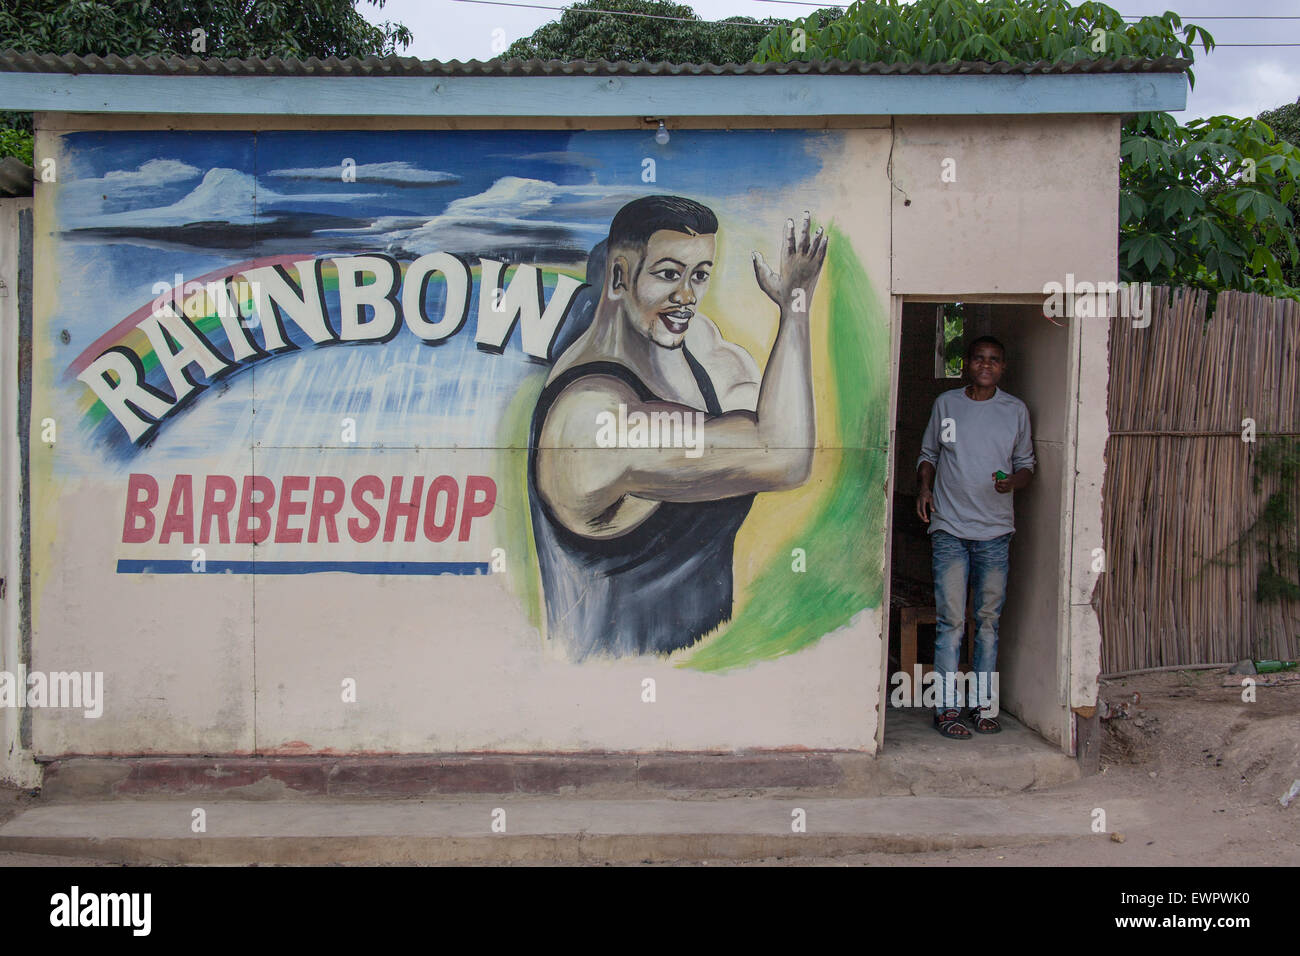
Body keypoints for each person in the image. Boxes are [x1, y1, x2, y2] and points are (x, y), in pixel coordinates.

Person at [528, 195, 827, 660]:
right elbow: (784, 455)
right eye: (669, 274)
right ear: (620, 276)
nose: (687, 296)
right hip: (615, 691)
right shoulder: (589, 419)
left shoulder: (699, 352)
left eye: (700, 276)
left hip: (709, 681)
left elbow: (772, 430)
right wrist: (795, 311)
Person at [915, 335, 1035, 738]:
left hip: (995, 532)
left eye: (994, 360)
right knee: (951, 621)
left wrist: (1011, 483)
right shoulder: (947, 405)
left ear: (1003, 367)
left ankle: (983, 708)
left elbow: (1027, 467)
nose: (986, 365)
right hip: (949, 526)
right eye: (979, 359)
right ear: (967, 363)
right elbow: (928, 454)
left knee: (987, 621)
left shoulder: (1014, 411)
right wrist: (925, 488)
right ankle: (947, 710)